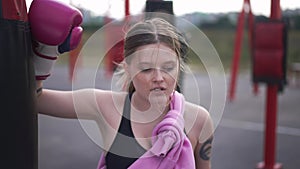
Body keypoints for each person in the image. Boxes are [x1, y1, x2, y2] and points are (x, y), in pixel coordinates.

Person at [31, 2, 214, 167]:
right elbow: (36, 100)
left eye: (168, 67)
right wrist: (46, 53)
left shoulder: (199, 120)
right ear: (128, 68)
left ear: (179, 66)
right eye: (146, 69)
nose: (159, 77)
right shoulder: (105, 106)